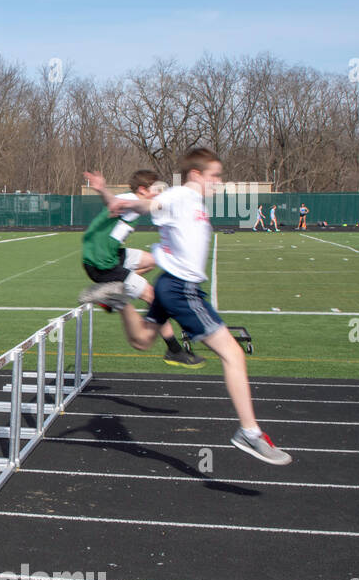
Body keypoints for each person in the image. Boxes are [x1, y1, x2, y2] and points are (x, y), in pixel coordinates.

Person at [85, 148, 291, 465]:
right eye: (214, 176)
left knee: (141, 340)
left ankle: (119, 298)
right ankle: (249, 433)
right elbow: (151, 203)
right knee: (233, 354)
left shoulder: (193, 201)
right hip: (182, 289)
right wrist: (121, 201)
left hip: (175, 284)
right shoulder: (180, 194)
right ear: (196, 174)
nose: (218, 183)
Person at [77, 170, 204, 368]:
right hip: (102, 263)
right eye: (156, 190)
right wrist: (102, 190)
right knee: (154, 296)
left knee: (152, 260)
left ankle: (114, 287)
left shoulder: (133, 200)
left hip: (109, 255)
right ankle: (174, 350)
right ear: (143, 190)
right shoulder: (130, 200)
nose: (160, 194)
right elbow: (112, 202)